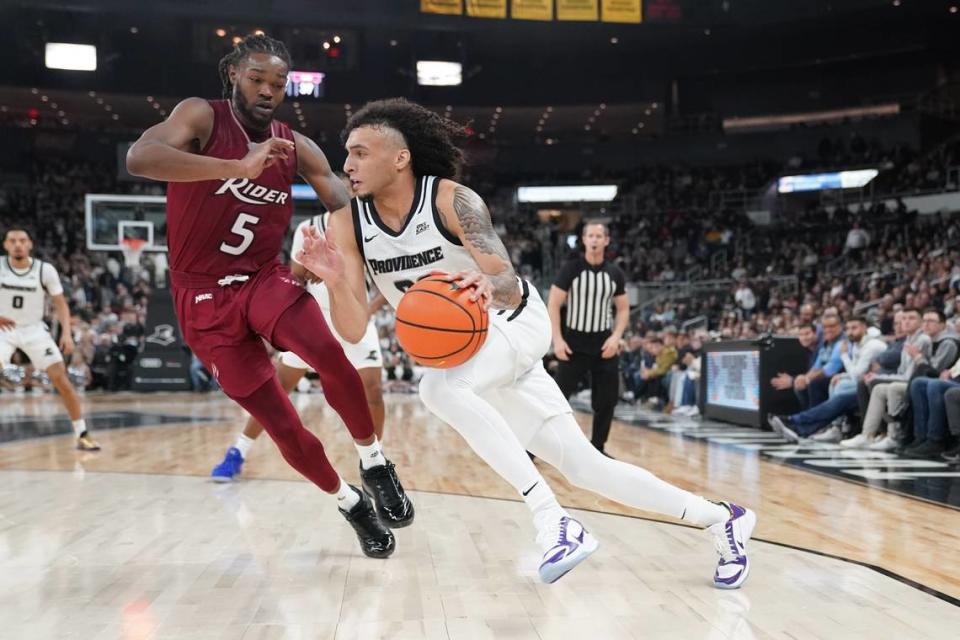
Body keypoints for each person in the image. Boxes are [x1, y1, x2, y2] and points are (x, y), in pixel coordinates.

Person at [298, 97, 756, 587]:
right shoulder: (347, 222)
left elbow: (509, 282)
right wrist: (333, 280)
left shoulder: (453, 200)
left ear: (400, 157)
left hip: (513, 320)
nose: (347, 164)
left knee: (438, 390)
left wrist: (484, 286)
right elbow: (349, 328)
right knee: (586, 467)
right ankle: (722, 518)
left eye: (361, 152)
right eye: (346, 153)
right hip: (471, 351)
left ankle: (552, 519)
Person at [125, 34, 412, 559]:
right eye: (256, 79)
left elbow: (346, 199)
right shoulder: (201, 117)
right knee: (281, 422)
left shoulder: (295, 145)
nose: (267, 90)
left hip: (262, 278)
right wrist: (236, 167)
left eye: (277, 84)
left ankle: (374, 462)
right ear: (233, 74)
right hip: (202, 298)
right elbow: (141, 158)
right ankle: (350, 504)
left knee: (327, 351)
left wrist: (400, 203)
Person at [210, 209, 389, 482]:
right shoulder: (310, 226)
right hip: (314, 319)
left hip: (353, 318)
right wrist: (310, 267)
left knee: (373, 390)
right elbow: (294, 272)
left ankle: (376, 465)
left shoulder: (367, 228)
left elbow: (384, 279)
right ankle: (238, 451)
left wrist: (370, 309)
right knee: (277, 389)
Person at [0, 227, 100, 451]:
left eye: (22, 240)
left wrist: (66, 333)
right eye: (13, 240)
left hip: (33, 329)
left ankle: (82, 433)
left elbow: (61, 304)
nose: (17, 244)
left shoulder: (45, 270)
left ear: (30, 244)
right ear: (6, 245)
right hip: (3, 330)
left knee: (61, 379)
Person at [547, 221, 629, 455]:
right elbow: (553, 303)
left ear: (606, 241)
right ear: (584, 240)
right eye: (590, 235)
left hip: (604, 345)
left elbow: (623, 309)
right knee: (556, 399)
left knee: (607, 401)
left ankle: (598, 448)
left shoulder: (615, 273)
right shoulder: (571, 269)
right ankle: (537, 448)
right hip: (573, 344)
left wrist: (616, 337)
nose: (594, 240)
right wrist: (558, 340)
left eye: (598, 236)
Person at [768, 316, 886, 442]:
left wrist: (844, 356)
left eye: (854, 328)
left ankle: (798, 422)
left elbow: (845, 371)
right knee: (831, 384)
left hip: (871, 385)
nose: (851, 331)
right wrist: (802, 379)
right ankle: (806, 427)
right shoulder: (847, 343)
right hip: (862, 383)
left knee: (830, 387)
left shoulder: (862, 345)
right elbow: (820, 367)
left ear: (864, 328)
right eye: (849, 328)